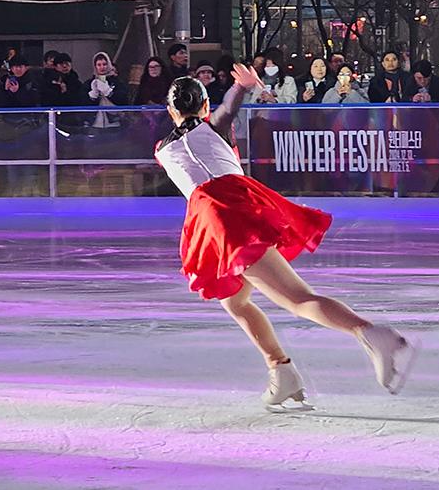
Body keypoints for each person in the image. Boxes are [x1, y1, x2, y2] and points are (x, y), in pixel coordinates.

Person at [154, 66, 417, 407]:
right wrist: (240, 87)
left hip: (219, 217)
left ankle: (370, 333)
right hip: (235, 208)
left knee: (296, 299)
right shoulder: (213, 127)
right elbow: (226, 112)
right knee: (235, 301)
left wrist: (234, 93)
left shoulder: (162, 148)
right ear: (204, 105)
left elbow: (207, 128)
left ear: (171, 111)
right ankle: (281, 371)